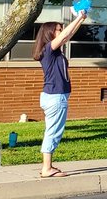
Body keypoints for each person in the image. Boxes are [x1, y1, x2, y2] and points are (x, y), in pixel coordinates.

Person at [32, 9, 87, 178]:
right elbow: (64, 36)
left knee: (53, 130)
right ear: (50, 33)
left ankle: (47, 166)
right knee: (53, 132)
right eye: (58, 29)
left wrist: (81, 19)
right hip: (55, 97)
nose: (61, 31)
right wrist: (77, 17)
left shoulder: (54, 51)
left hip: (55, 96)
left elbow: (67, 36)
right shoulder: (48, 49)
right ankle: (47, 168)